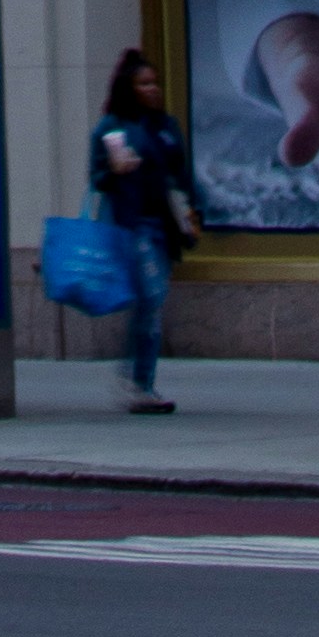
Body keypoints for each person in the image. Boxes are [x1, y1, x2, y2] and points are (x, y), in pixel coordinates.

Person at [91, 50, 201, 415]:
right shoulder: (112, 127)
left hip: (163, 226)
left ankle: (139, 379)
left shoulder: (165, 126)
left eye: (154, 82)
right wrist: (115, 170)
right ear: (129, 87)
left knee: (152, 302)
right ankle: (138, 380)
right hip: (132, 225)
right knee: (151, 297)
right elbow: (97, 178)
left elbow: (180, 174)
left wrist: (191, 213)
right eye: (144, 83)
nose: (152, 89)